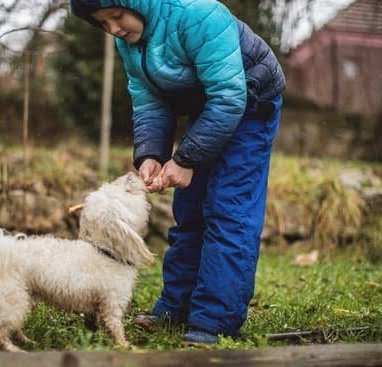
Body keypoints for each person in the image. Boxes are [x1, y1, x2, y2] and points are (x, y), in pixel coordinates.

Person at [71, 0, 285, 345]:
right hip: (209, 111)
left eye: (116, 17)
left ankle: (215, 320)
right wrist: (152, 156)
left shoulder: (198, 16)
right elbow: (148, 102)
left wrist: (186, 160)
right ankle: (176, 307)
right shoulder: (127, 41)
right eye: (103, 23)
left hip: (249, 105)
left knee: (228, 210)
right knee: (189, 210)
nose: (113, 29)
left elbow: (230, 98)